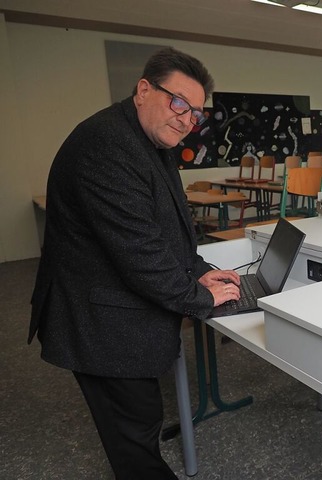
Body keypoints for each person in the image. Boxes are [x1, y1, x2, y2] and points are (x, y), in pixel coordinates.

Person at [28, 47, 241, 479]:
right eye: (178, 102)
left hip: (114, 311)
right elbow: (141, 253)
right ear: (144, 90)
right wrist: (198, 296)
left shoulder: (148, 139)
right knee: (135, 440)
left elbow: (166, 229)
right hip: (101, 324)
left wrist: (199, 270)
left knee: (139, 422)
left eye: (195, 113)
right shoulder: (107, 145)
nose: (186, 120)